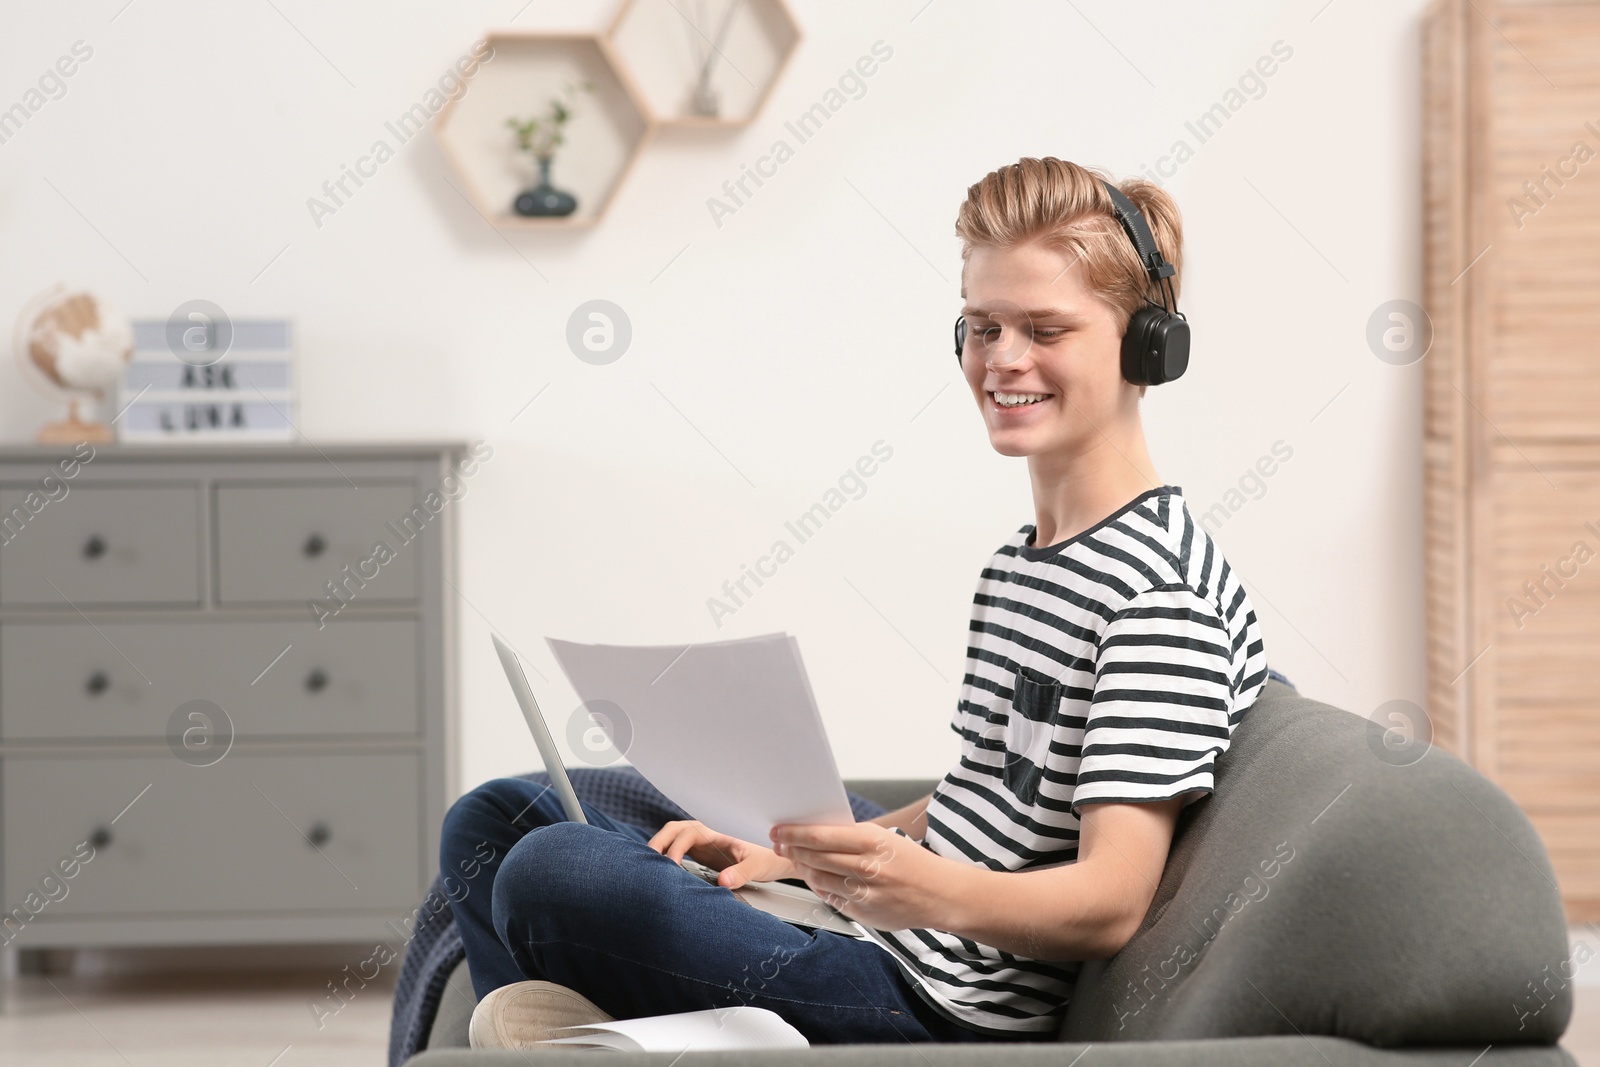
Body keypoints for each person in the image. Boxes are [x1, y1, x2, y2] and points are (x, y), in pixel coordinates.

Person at [441, 155, 1271, 1049]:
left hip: (937, 1005)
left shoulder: (1157, 597)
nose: (1003, 359)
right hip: (885, 932)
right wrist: (795, 861)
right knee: (491, 819)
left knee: (556, 870)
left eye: (1045, 327)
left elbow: (1109, 904)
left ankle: (596, 1031)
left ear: (1148, 342)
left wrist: (908, 885)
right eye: (982, 325)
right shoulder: (1024, 563)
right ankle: (591, 1034)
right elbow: (986, 791)